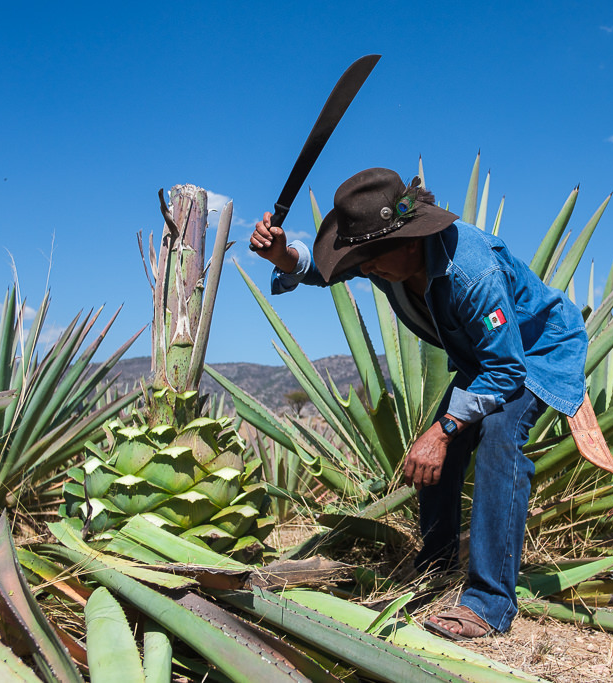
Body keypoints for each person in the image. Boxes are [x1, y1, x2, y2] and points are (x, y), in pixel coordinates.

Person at [251, 167, 589, 639]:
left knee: (498, 439)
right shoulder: (381, 251)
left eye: (370, 259)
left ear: (412, 240)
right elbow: (320, 268)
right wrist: (281, 255)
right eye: (359, 257)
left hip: (532, 353)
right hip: (486, 358)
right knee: (438, 452)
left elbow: (508, 370)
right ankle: (436, 568)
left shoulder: (471, 272)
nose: (364, 268)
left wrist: (442, 429)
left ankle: (489, 604)